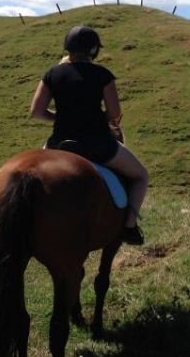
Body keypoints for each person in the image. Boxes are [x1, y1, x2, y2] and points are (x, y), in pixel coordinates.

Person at [30, 25, 149, 245]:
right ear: (93, 50)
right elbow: (115, 114)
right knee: (141, 175)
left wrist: (62, 118)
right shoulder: (103, 75)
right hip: (97, 145)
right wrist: (95, 119)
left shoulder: (51, 74)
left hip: (59, 145)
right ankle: (130, 227)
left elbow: (36, 111)